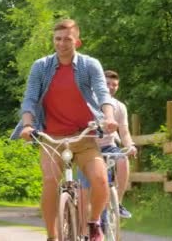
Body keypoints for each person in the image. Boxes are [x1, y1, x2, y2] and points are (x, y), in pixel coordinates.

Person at [11, 18, 116, 241]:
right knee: (50, 180)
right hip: (52, 139)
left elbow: (102, 93)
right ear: (53, 40)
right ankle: (52, 236)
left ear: (77, 41)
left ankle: (94, 222)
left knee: (100, 180)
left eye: (67, 39)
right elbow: (29, 99)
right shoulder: (41, 67)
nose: (62, 44)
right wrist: (28, 125)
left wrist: (108, 117)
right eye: (57, 39)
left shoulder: (90, 65)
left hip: (84, 136)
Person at [77, 70, 137, 233]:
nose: (110, 87)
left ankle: (117, 202)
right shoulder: (87, 102)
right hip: (87, 148)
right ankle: (83, 232)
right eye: (107, 84)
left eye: (114, 85)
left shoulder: (119, 107)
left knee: (123, 159)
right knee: (84, 197)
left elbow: (124, 131)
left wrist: (130, 145)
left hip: (109, 147)